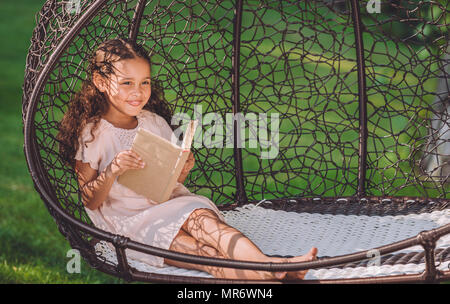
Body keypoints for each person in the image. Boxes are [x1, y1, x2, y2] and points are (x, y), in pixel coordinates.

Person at [57, 38, 318, 280]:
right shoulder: (93, 134)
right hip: (130, 222)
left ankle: (271, 266)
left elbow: (167, 184)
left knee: (209, 225)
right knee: (202, 253)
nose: (138, 92)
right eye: (127, 83)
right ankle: (268, 279)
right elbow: (89, 200)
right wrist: (112, 170)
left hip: (171, 204)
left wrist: (180, 170)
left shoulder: (153, 122)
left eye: (144, 82)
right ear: (101, 82)